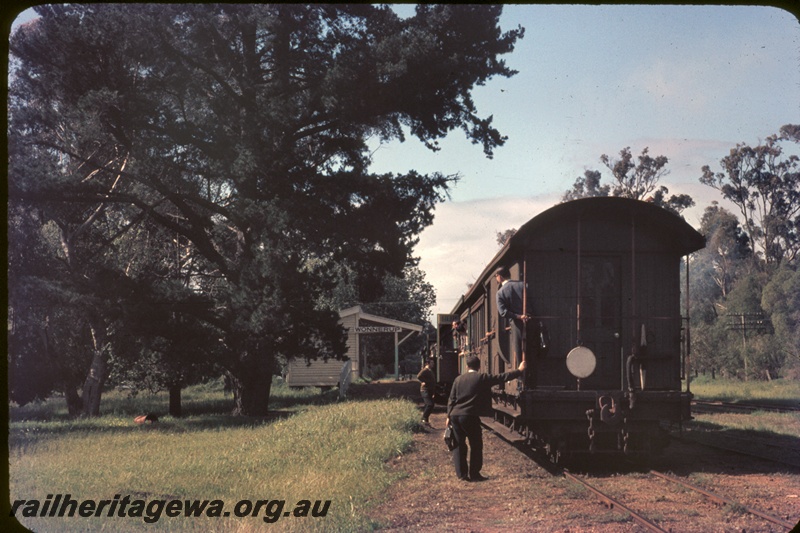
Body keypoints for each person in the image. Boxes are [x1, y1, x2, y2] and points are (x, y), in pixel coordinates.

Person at [445, 356, 526, 481]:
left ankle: (462, 475)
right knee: (476, 444)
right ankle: (475, 474)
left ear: (467, 366)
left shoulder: (458, 379)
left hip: (455, 415)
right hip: (469, 415)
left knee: (459, 444)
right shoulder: (482, 378)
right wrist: (519, 370)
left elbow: (452, 399)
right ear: (479, 367)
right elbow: (502, 377)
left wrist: (448, 416)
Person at [495, 266, 531, 368]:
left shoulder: (500, 292)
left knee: (519, 352)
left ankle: (521, 379)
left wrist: (518, 316)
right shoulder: (524, 285)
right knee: (531, 352)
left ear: (500, 277)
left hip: (516, 325)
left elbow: (503, 312)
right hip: (531, 322)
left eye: (496, 276)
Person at [417, 357, 436, 426]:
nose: (433, 364)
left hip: (429, 390)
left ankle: (426, 421)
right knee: (429, 404)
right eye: (432, 363)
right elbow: (418, 376)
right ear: (427, 363)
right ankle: (423, 418)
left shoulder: (430, 370)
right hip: (425, 390)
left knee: (430, 405)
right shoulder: (425, 370)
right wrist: (424, 381)